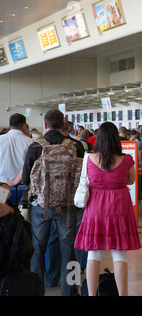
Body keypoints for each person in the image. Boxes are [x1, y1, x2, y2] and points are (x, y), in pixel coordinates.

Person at [21, 109, 84, 296]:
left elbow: (26, 180)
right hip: (69, 206)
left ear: (46, 125)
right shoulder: (76, 146)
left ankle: (35, 290)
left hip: (41, 206)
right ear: (63, 124)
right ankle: (70, 291)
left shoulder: (35, 147)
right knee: (70, 250)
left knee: (38, 249)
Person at [74, 122, 141, 296]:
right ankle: (123, 294)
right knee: (120, 255)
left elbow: (85, 181)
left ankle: (91, 294)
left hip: (95, 207)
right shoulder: (126, 159)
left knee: (93, 254)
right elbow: (131, 180)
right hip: (119, 207)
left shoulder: (89, 158)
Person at [0, 113, 33, 183]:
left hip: (3, 184)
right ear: (24, 126)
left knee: (3, 194)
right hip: (23, 184)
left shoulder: (0, 139)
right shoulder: (29, 142)